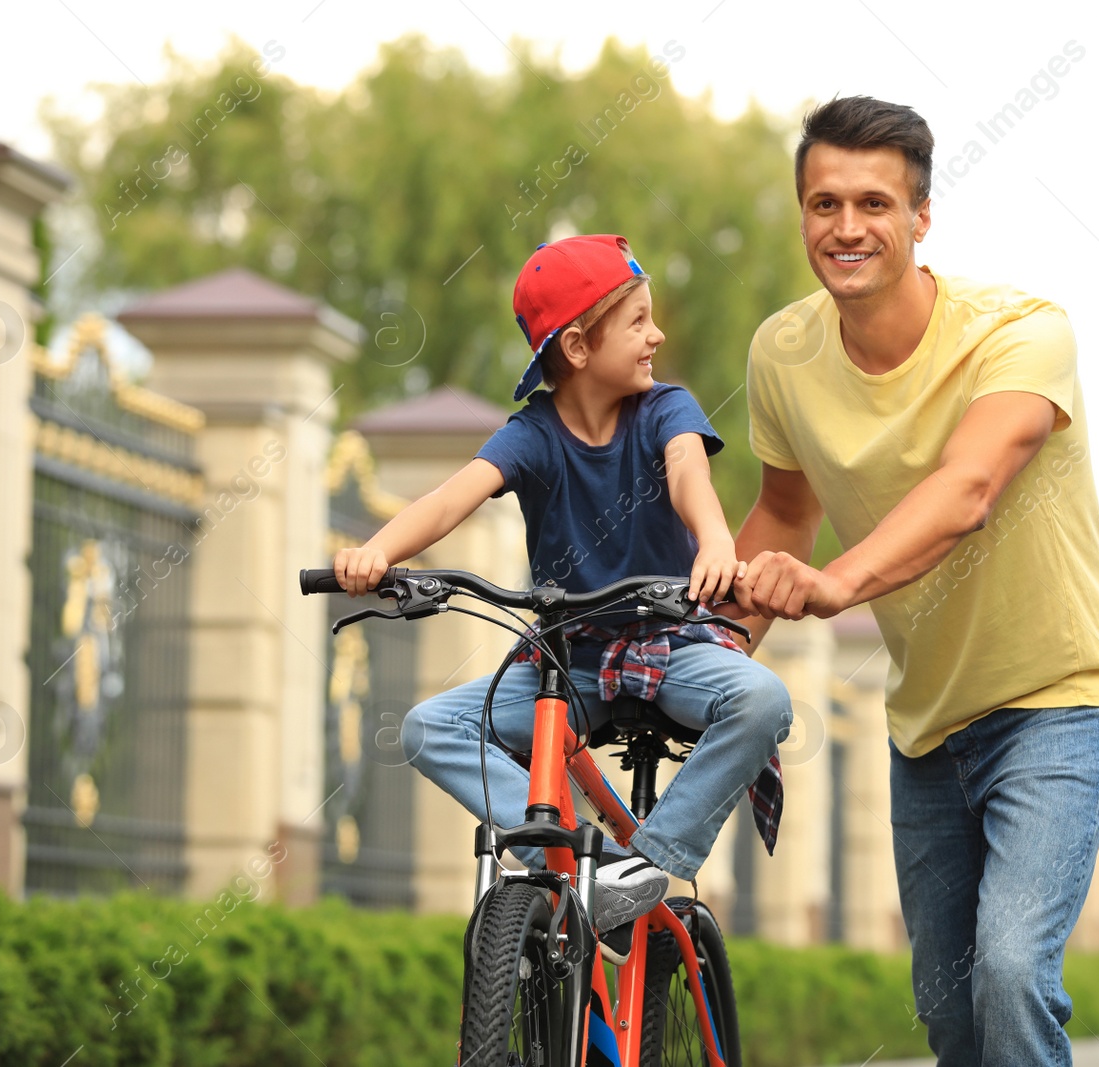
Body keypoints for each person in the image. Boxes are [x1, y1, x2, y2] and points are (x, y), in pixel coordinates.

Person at [724, 96, 1099, 1066]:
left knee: (1007, 969)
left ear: (920, 217)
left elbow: (967, 488)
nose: (847, 227)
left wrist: (833, 585)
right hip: (927, 725)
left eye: (874, 202)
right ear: (802, 216)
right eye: (823, 204)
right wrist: (698, 650)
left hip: (1058, 700)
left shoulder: (1022, 331)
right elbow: (784, 513)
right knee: (951, 1018)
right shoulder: (782, 354)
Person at [333, 234, 792, 946]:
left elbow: (686, 471)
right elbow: (453, 498)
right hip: (568, 662)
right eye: (638, 321)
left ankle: (650, 861)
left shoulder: (664, 408)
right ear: (578, 347)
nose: (657, 334)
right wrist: (377, 551)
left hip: (667, 645)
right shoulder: (535, 434)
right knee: (428, 727)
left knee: (763, 698)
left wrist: (715, 539)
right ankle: (589, 866)